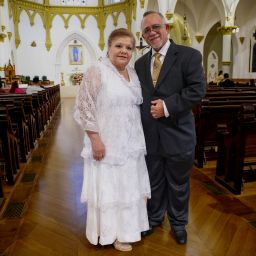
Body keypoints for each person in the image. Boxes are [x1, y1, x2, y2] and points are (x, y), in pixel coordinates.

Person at [73, 28, 151, 252]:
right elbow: (84, 108)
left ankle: (126, 231)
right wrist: (96, 140)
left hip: (131, 142)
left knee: (127, 188)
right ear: (108, 47)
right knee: (110, 189)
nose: (124, 51)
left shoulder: (133, 74)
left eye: (129, 47)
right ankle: (110, 232)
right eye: (119, 46)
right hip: (107, 143)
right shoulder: (97, 70)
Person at [135, 11, 206, 245]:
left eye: (156, 27)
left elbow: (197, 90)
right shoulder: (140, 63)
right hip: (151, 137)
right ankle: (154, 218)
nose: (152, 32)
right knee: (154, 182)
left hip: (178, 134)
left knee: (178, 184)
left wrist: (167, 106)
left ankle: (178, 223)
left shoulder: (189, 56)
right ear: (143, 36)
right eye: (146, 30)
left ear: (166, 27)